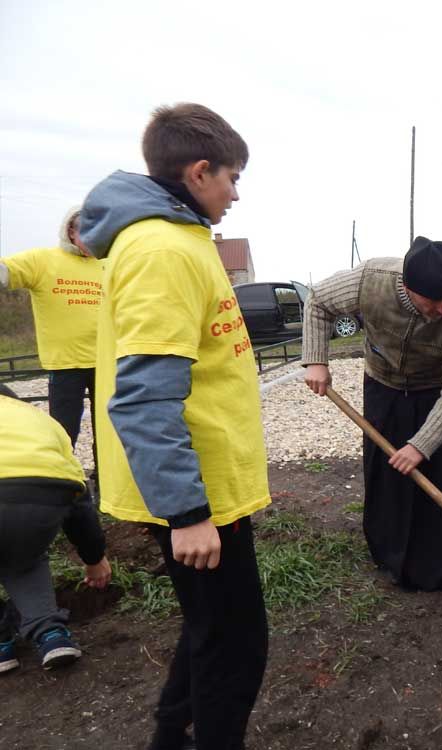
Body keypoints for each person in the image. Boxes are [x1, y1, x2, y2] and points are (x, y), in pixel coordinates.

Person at [79, 103, 270, 750]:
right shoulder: (161, 249)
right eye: (231, 178)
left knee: (207, 629)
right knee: (236, 647)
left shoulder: (176, 236)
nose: (235, 192)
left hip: (209, 480)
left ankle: (170, 738)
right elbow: (143, 397)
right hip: (200, 491)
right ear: (198, 171)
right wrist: (188, 510)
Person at [303, 237, 442, 594]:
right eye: (432, 301)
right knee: (388, 475)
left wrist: (420, 445)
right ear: (406, 286)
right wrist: (317, 359)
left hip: (436, 390)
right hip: (384, 385)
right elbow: (317, 301)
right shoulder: (370, 279)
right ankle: (391, 555)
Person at [0, 383, 111, 674]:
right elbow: (78, 496)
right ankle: (51, 635)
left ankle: (1, 647)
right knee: (24, 560)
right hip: (39, 500)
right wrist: (94, 558)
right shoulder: (40, 422)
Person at [0, 206, 103, 489]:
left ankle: (105, 486)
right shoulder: (42, 260)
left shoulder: (108, 265)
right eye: (88, 230)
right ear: (71, 231)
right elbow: (5, 273)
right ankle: (64, 486)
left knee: (108, 433)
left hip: (106, 364)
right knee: (63, 433)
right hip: (65, 365)